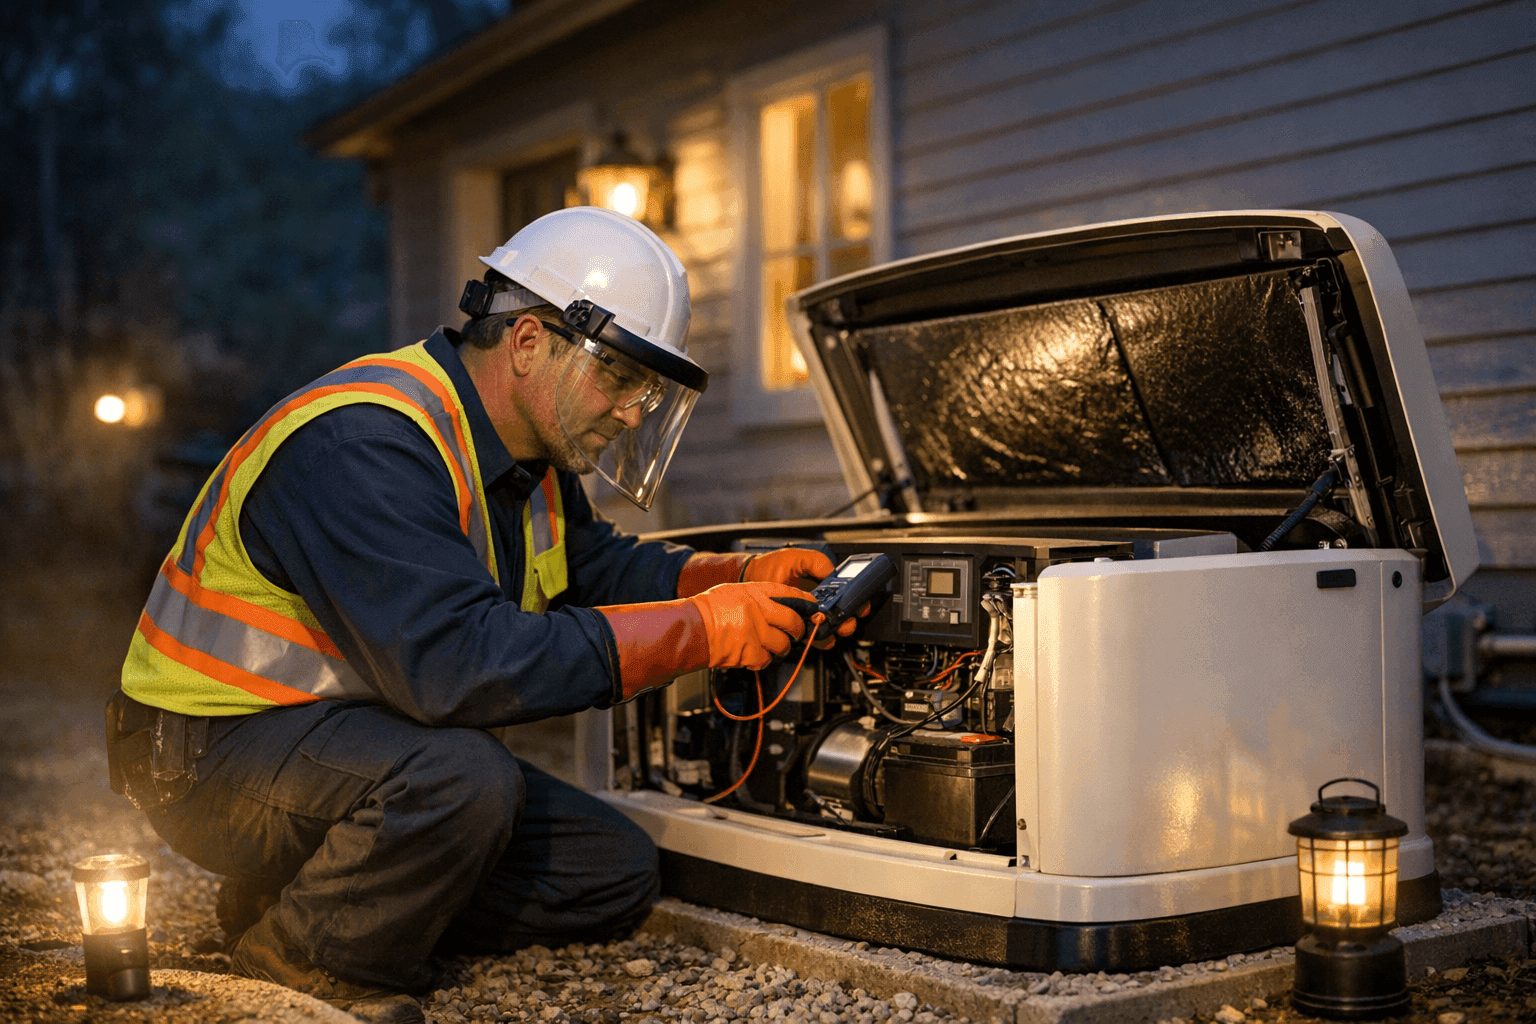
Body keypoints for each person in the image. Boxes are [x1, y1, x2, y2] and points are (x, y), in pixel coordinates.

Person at [104, 207, 853, 1024]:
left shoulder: (527, 453)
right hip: (206, 753)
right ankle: (305, 954)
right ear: (529, 342)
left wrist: (735, 573)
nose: (635, 412)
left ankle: (303, 890)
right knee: (464, 781)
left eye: (648, 389)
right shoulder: (366, 446)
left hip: (349, 739)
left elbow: (594, 569)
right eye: (620, 379)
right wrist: (704, 630)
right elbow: (455, 669)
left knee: (612, 870)